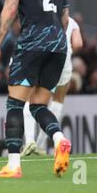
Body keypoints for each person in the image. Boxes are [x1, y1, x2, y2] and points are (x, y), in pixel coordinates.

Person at [0, 0, 71, 178]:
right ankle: (59, 139)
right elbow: (65, 18)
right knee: (38, 105)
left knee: (15, 102)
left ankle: (13, 165)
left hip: (32, 42)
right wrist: (55, 40)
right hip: (58, 45)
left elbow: (10, 8)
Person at [21, 16, 83, 156]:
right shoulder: (71, 21)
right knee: (57, 102)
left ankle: (30, 141)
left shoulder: (42, 17)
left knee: (31, 100)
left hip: (45, 62)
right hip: (64, 63)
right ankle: (42, 145)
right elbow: (78, 44)